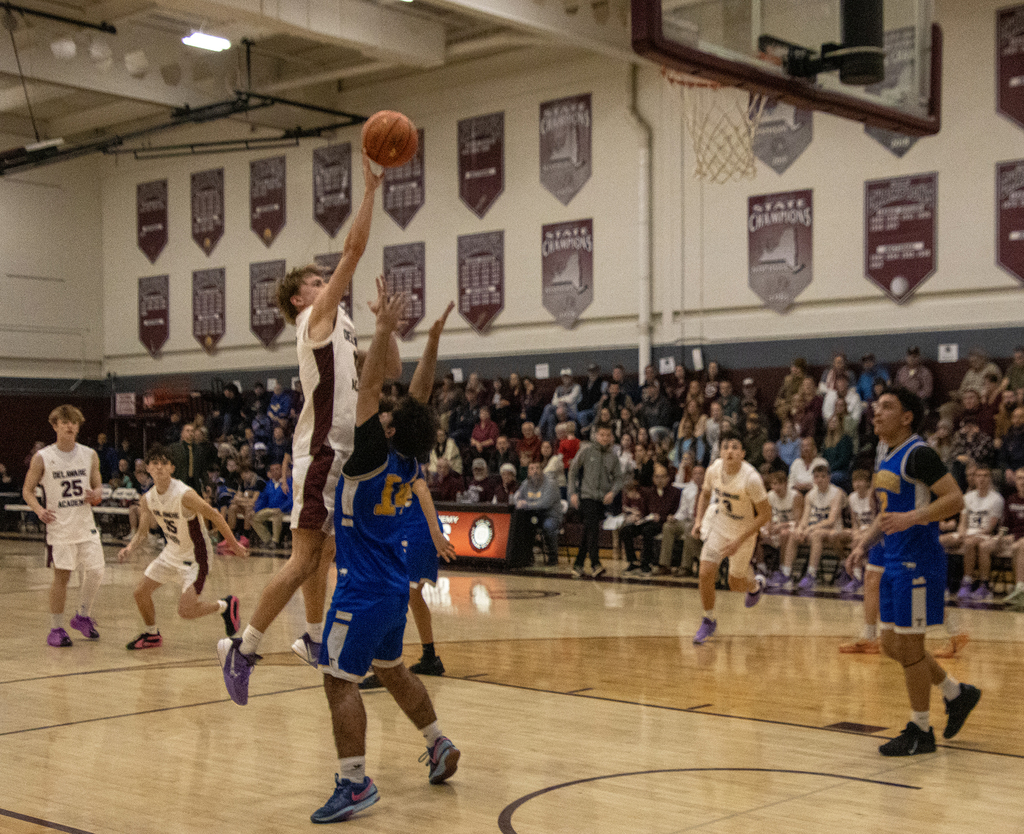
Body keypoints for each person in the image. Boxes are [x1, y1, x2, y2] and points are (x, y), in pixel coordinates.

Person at [218, 150, 394, 700]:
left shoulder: (341, 328)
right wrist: (370, 190)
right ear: (301, 298)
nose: (328, 282)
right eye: (318, 281)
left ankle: (314, 638)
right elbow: (354, 249)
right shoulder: (314, 320)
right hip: (320, 453)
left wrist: (389, 328)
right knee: (302, 559)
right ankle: (242, 647)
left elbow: (381, 376)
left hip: (343, 449)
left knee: (324, 554)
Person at [304, 287, 459, 823]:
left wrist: (384, 331)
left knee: (337, 678)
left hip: (362, 590)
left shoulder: (370, 453)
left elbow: (370, 387)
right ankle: (438, 742)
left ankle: (354, 783)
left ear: (386, 431)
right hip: (393, 588)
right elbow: (418, 400)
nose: (385, 414)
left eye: (388, 417)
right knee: (392, 668)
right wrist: (432, 343)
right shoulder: (410, 457)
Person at [846, 386, 980, 756]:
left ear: (907, 417)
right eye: (875, 407)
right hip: (891, 560)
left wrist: (913, 518)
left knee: (911, 646)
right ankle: (956, 692)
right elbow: (887, 513)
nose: (876, 412)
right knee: (891, 644)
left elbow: (955, 499)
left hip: (918, 563)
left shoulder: (919, 454)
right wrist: (863, 543)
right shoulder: (884, 453)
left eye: (886, 407)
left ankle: (921, 729)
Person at [119, 445, 247, 649]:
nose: (159, 467)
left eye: (164, 463)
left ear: (172, 468)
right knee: (140, 593)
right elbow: (142, 532)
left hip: (196, 558)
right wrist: (129, 548)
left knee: (185, 611)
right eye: (154, 463)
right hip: (171, 553)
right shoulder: (148, 499)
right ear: (148, 469)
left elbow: (214, 514)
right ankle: (152, 635)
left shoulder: (184, 494)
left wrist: (235, 545)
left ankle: (225, 605)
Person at [22, 405, 106, 647]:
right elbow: (27, 490)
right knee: (63, 577)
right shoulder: (43, 457)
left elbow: (98, 486)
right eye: (65, 422)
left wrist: (96, 494)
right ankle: (55, 628)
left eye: (75, 423)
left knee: (97, 571)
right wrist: (38, 510)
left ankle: (82, 615)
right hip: (60, 527)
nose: (70, 426)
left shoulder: (89, 454)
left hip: (85, 524)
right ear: (55, 425)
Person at [689, 430, 770, 643]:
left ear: (743, 453)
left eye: (735, 447)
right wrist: (698, 521)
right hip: (720, 525)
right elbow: (705, 494)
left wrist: (739, 540)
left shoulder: (751, 478)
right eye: (725, 447)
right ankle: (708, 619)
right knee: (705, 572)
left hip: (744, 532)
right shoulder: (714, 469)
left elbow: (765, 514)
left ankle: (755, 586)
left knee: (735, 583)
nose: (729, 451)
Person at [773, 463, 846, 593]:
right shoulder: (810, 495)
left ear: (829, 478)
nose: (820, 479)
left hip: (833, 530)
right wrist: (801, 529)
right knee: (794, 533)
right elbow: (805, 519)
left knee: (816, 534)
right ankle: (786, 573)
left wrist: (811, 528)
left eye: (823, 476)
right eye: (817, 476)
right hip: (814, 529)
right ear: (813, 479)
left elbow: (831, 520)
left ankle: (811, 574)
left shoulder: (837, 493)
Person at [568, 422, 623, 578]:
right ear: (596, 435)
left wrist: (612, 492)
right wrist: (572, 492)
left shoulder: (613, 456)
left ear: (611, 437)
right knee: (592, 528)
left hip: (602, 499)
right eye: (602, 435)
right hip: (587, 496)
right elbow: (572, 471)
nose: (604, 438)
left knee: (589, 530)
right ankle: (595, 563)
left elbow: (619, 478)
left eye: (607, 435)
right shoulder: (586, 451)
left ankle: (578, 564)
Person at [944, 465, 1004, 603]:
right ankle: (943, 583)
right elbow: (963, 522)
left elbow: (990, 528)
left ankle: (969, 583)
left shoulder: (996, 499)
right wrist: (961, 533)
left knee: (970, 543)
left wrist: (970, 536)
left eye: (985, 476)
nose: (981, 479)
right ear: (974, 478)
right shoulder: (967, 497)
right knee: (941, 541)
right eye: (979, 476)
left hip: (985, 535)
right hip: (968, 533)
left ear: (990, 479)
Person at [981, 467, 1024, 606]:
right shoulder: (1011, 500)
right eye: (1019, 478)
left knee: (1019, 546)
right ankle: (984, 586)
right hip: (1012, 537)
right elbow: (1005, 526)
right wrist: (999, 537)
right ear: (1015, 482)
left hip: (1020, 539)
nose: (1022, 481)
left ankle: (1019, 589)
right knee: (985, 546)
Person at [512, 459, 564, 565]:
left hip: (550, 516)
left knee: (548, 525)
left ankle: (553, 556)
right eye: (531, 469)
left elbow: (545, 504)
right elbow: (517, 499)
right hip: (533, 516)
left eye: (537, 468)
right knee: (522, 525)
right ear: (528, 472)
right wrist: (518, 501)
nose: (535, 471)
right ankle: (526, 556)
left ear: (542, 470)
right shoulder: (525, 484)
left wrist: (526, 504)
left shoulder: (551, 484)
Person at [247, 462, 292, 548]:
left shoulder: (287, 483)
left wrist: (281, 508)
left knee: (276, 514)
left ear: (282, 470)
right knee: (254, 517)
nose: (274, 472)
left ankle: (275, 541)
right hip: (270, 509)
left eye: (277, 469)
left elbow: (290, 500)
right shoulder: (268, 485)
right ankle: (267, 540)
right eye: (272, 470)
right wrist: (255, 510)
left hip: (284, 510)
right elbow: (263, 499)